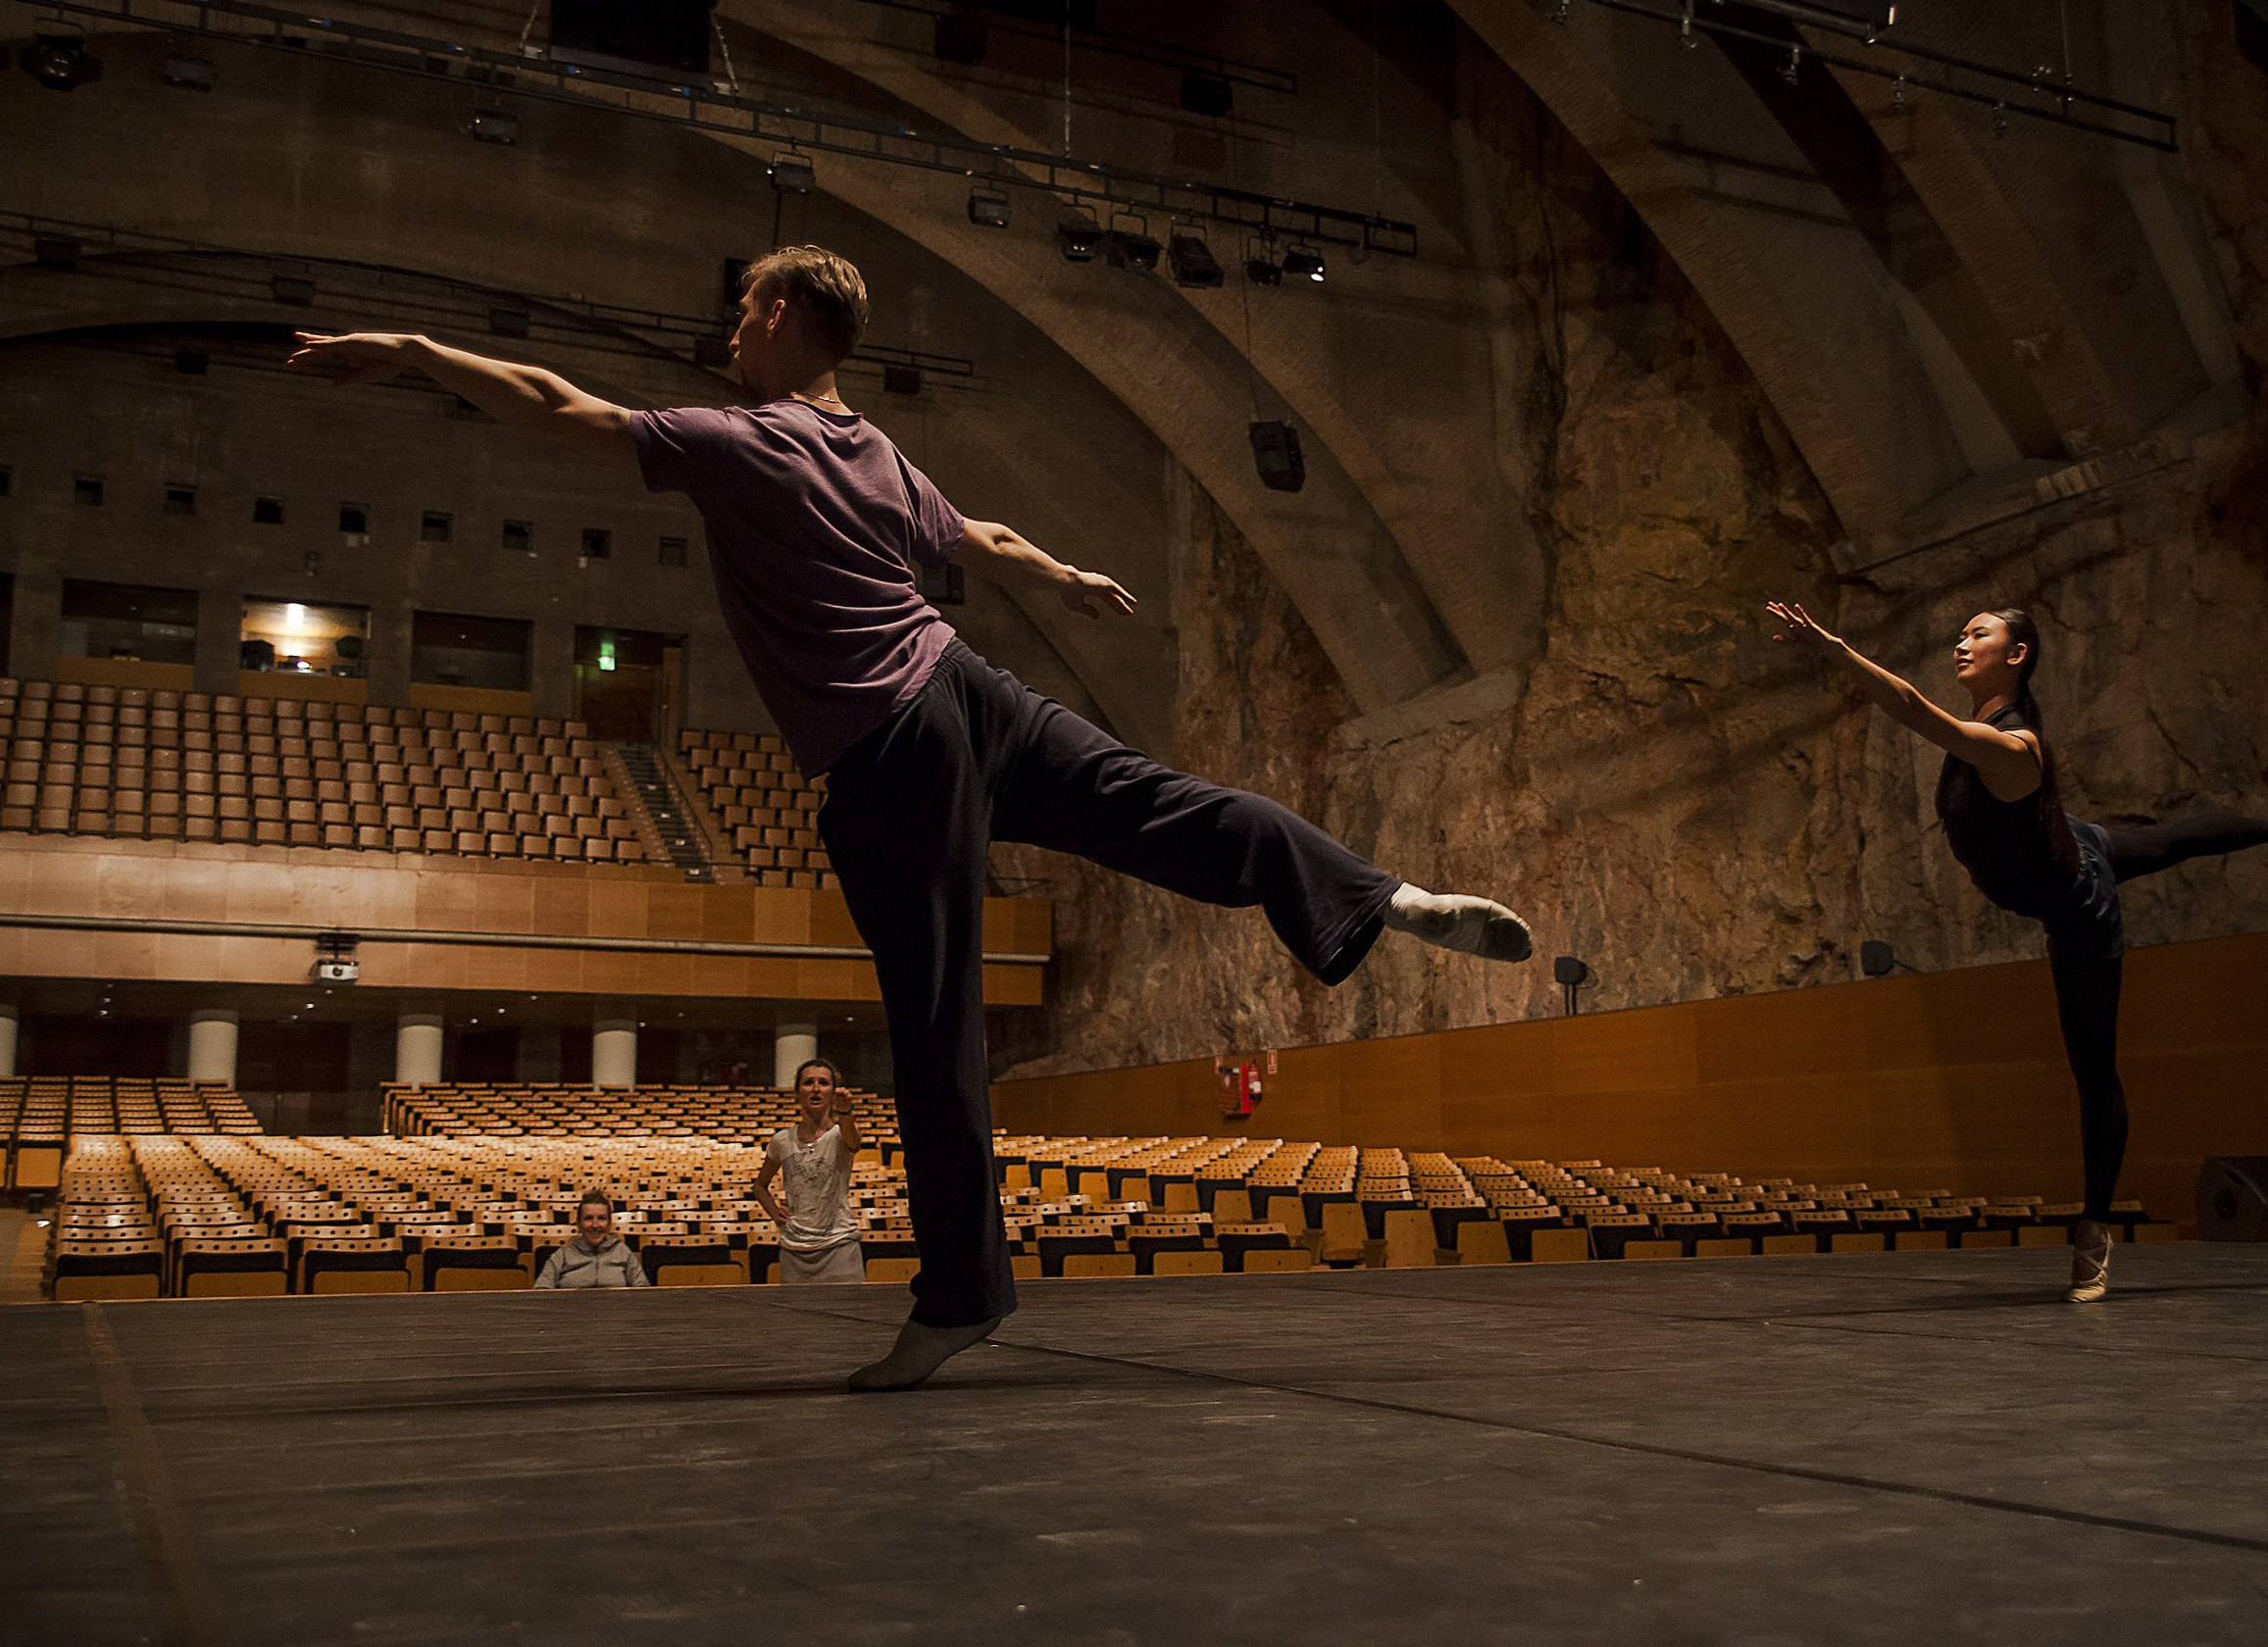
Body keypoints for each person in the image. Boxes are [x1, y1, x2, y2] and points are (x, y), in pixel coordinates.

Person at [290, 245, 1532, 1389]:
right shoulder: (879, 452)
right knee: (1172, 809)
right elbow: (973, 533)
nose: (730, 334)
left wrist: (409, 352)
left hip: (892, 748)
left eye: (741, 314)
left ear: (780, 316)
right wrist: (1058, 575)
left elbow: (561, 406)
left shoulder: (744, 441)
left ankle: (958, 1299)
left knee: (935, 1031)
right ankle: (1383, 896)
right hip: (976, 692)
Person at [1765, 601, 2268, 1303]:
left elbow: (1914, 709)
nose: (1961, 641)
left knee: (2093, 1071)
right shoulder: (1988, 736)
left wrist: (1835, 649)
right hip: (2072, 841)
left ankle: (2093, 1231)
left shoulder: (2014, 749)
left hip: (2076, 903)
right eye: (1961, 631)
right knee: (2162, 840)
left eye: (1978, 633)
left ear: (2015, 655)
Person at [751, 1057, 866, 1285]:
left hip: (839, 1246)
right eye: (808, 1083)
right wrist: (774, 1212)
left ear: (833, 1092)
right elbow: (759, 1186)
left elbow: (854, 1142)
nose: (815, 1089)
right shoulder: (781, 1140)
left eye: (823, 1083)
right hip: (795, 1249)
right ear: (797, 1092)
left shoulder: (842, 1133)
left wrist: (846, 1113)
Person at [532, 1190, 650, 1289]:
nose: (595, 1225)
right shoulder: (563, 1255)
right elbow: (541, 1292)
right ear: (578, 1224)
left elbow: (643, 1292)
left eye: (601, 1218)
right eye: (588, 1218)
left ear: (609, 1224)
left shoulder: (623, 1252)